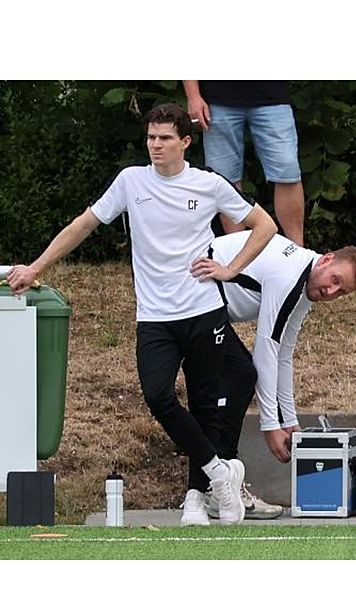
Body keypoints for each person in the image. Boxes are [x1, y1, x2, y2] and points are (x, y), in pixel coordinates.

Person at [5, 103, 277, 525]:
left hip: (204, 312)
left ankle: (194, 496)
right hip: (154, 316)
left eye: (165, 138)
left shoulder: (209, 184)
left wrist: (230, 269)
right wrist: (37, 266)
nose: (156, 145)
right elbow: (84, 224)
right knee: (158, 395)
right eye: (151, 137)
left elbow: (264, 226)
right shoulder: (130, 182)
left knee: (205, 405)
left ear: (185, 142)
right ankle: (219, 473)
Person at [185, 231, 356, 523]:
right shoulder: (289, 275)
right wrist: (270, 425)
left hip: (206, 300)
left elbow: (284, 352)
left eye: (341, 292)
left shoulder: (306, 281)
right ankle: (219, 487)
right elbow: (266, 347)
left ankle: (218, 485)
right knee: (240, 375)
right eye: (335, 280)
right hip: (192, 293)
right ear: (327, 260)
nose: (331, 292)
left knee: (238, 376)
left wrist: (290, 420)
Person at [183, 81, 305, 245]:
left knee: (287, 172)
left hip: (273, 97)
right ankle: (238, 258)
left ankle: (298, 254)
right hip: (216, 99)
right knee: (224, 181)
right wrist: (193, 96)